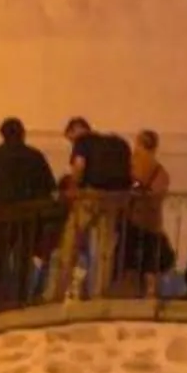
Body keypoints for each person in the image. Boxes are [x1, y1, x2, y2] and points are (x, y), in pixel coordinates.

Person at [0, 117, 61, 308]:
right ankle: (22, 299)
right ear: (23, 133)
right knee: (23, 259)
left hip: (2, 215)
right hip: (29, 218)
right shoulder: (35, 156)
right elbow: (51, 189)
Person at [54, 115, 135, 301]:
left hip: (91, 197)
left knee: (71, 242)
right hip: (115, 198)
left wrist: (74, 187)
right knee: (105, 249)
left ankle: (61, 290)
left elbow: (79, 166)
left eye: (70, 139)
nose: (71, 143)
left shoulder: (83, 141)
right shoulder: (117, 143)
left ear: (76, 130)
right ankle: (100, 293)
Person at [121, 129, 173, 295]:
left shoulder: (132, 166)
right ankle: (150, 295)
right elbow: (159, 195)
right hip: (153, 223)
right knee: (150, 263)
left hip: (133, 219)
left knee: (130, 262)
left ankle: (130, 292)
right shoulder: (161, 172)